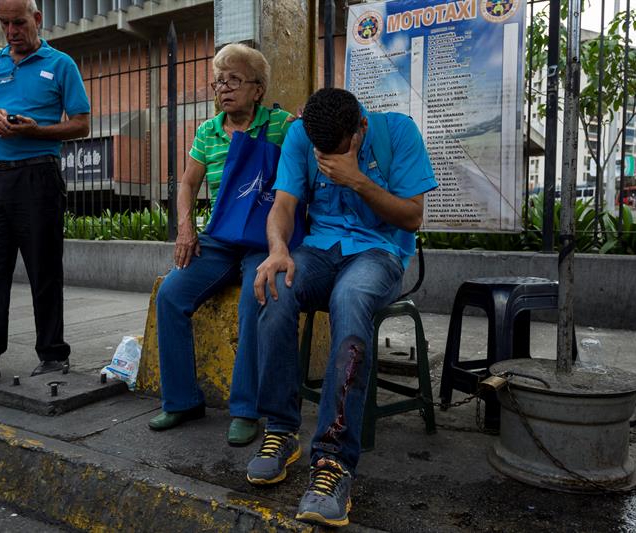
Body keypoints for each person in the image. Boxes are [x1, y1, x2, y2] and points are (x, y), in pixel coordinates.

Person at [247, 88, 438, 527]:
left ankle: (333, 463)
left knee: (349, 299)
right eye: (321, 152)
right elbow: (284, 205)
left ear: (360, 129)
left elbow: (412, 217)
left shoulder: (399, 133)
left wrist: (356, 178)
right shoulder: (300, 137)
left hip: (380, 254)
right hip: (320, 250)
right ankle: (279, 430)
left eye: (337, 150)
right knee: (275, 284)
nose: (325, 159)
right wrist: (277, 249)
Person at [147, 43, 292, 447]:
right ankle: (181, 400)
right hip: (218, 238)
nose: (223, 89)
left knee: (254, 298)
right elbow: (189, 183)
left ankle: (246, 409)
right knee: (171, 295)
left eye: (233, 80)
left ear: (258, 89)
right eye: (218, 81)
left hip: (265, 241)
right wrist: (185, 228)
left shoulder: (281, 125)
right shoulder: (207, 131)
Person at [0, 0, 90, 393]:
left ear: (36, 19)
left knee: (44, 268)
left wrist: (35, 130)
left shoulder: (60, 65)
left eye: (19, 22)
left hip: (37, 177)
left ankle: (53, 354)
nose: (11, 31)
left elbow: (81, 123)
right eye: (4, 23)